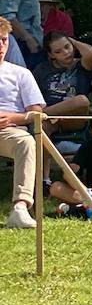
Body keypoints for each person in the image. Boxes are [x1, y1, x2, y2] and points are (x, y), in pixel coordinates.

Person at [0, 19, 43, 229]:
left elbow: (36, 112)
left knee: (26, 141)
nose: (0, 46)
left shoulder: (20, 73)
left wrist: (12, 118)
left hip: (8, 131)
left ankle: (20, 207)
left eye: (3, 40)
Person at [32, 31, 92, 138]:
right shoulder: (42, 69)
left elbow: (91, 52)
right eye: (58, 51)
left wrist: (73, 42)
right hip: (50, 117)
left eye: (67, 46)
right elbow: (33, 94)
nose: (66, 52)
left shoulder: (82, 65)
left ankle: (37, 115)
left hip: (75, 117)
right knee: (40, 129)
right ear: (51, 55)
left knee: (82, 100)